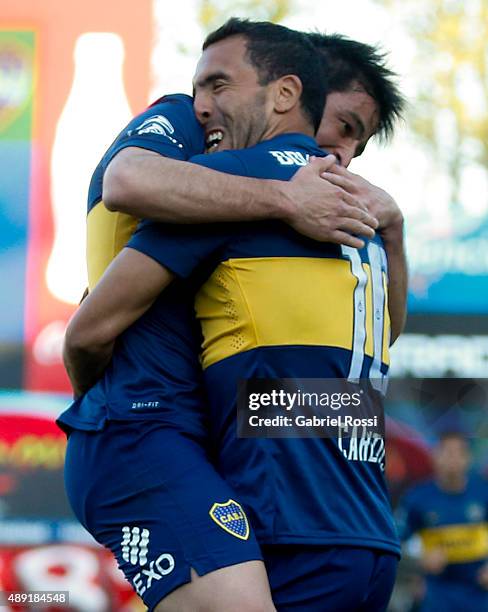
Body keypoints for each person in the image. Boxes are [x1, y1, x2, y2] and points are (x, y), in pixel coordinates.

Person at [60, 19, 403, 611]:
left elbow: (368, 349)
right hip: (145, 435)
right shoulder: (209, 155)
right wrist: (107, 400)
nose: (343, 153)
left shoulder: (340, 212)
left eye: (359, 143)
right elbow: (124, 184)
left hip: (340, 526)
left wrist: (393, 230)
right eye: (343, 126)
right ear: (293, 92)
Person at [397, 432, 488, 611]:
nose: (453, 459)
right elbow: (395, 542)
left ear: (468, 458)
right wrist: (418, 561)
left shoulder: (483, 492)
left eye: (459, 453)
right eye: (447, 452)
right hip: (437, 593)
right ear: (435, 457)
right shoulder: (417, 497)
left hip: (480, 592)